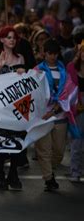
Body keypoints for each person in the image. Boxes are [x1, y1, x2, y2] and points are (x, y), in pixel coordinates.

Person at [0, 26, 26, 191]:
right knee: (1, 139)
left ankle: (14, 173)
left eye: (14, 37)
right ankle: (0, 173)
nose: (12, 40)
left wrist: (24, 72)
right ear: (2, 39)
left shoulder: (20, 58)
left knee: (17, 138)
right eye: (8, 37)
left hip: (16, 106)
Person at [34, 39, 73, 191]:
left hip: (59, 115)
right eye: (50, 53)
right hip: (43, 116)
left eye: (55, 53)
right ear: (45, 53)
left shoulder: (64, 71)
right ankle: (49, 178)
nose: (52, 56)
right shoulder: (37, 70)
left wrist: (55, 109)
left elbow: (68, 93)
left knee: (59, 151)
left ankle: (50, 171)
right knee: (44, 150)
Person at [67, 43, 84, 183]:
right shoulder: (72, 68)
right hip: (77, 106)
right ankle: (75, 170)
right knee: (77, 140)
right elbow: (67, 89)